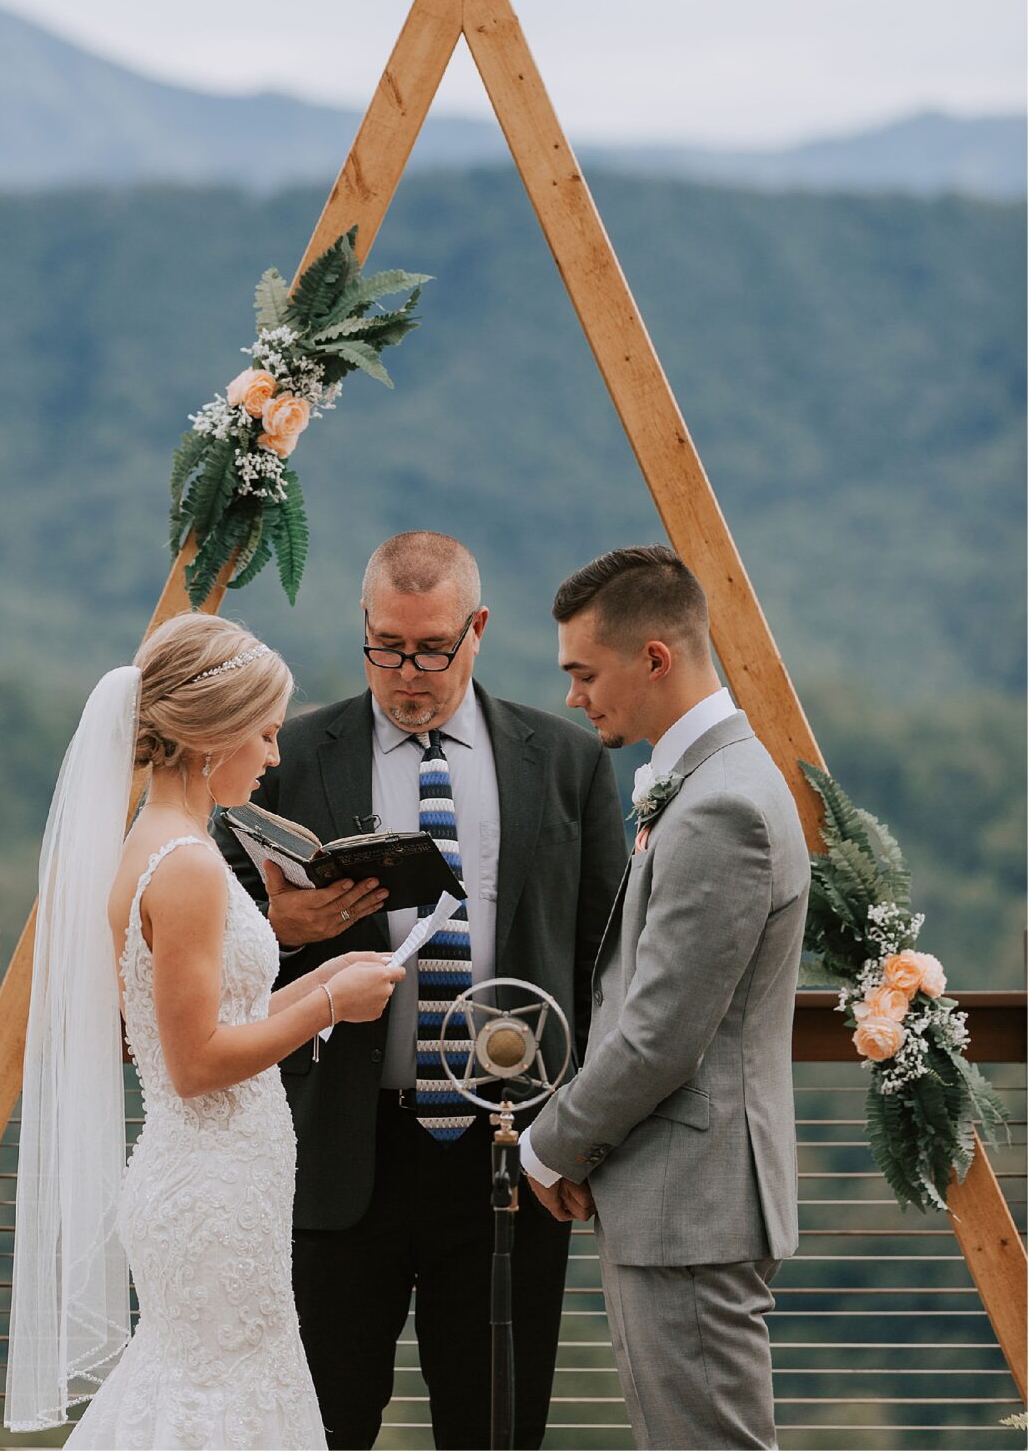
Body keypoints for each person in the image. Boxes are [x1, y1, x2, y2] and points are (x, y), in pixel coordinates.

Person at [217, 531, 628, 1451]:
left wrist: (584, 1138)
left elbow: (608, 966)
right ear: (364, 626)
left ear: (477, 629)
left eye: (432, 649)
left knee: (495, 1427)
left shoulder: (566, 762)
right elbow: (213, 954)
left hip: (509, 1155)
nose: (407, 673)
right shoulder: (287, 758)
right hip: (337, 1154)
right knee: (319, 1429)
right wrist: (288, 930)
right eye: (387, 647)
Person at [5, 613, 403, 1451]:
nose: (275, 755)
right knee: (216, 1395)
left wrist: (320, 976)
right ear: (213, 737)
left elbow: (207, 1017)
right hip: (210, 1187)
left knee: (216, 1387)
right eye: (263, 733)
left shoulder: (170, 846)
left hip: (224, 1179)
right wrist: (327, 1008)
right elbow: (195, 1063)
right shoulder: (184, 867)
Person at [519, 545, 810, 1451]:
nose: (574, 697)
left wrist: (548, 1145)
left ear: (655, 657)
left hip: (695, 1205)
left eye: (584, 672)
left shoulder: (724, 806)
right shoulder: (711, 783)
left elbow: (659, 1035)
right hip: (675, 1199)